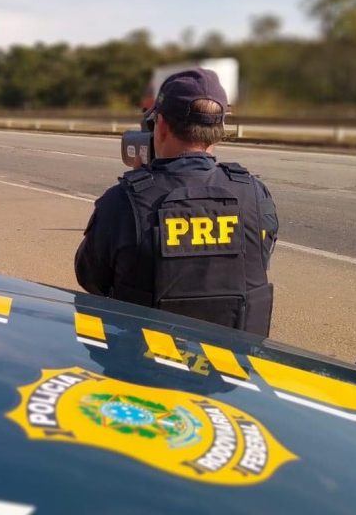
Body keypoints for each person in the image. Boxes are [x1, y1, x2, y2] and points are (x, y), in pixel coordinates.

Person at [74, 68, 278, 336]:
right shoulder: (254, 193)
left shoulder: (123, 201)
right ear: (218, 131)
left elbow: (91, 278)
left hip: (143, 370)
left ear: (161, 126)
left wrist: (137, 192)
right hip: (234, 369)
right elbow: (257, 260)